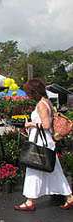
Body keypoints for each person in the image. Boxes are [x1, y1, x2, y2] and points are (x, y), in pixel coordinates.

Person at [14, 79, 73, 211]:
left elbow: (46, 125)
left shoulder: (41, 105)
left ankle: (30, 202)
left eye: (28, 92)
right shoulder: (47, 102)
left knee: (33, 167)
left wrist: (30, 124)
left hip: (41, 141)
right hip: (46, 141)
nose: (27, 94)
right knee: (54, 169)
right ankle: (69, 197)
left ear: (33, 92)